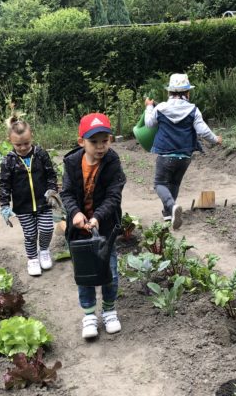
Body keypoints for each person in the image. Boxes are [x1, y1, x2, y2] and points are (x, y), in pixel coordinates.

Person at [60, 112, 126, 339]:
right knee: (85, 273)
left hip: (104, 228)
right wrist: (76, 213)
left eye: (104, 141)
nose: (100, 147)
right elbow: (66, 193)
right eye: (94, 142)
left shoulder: (112, 162)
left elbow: (113, 196)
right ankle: (89, 315)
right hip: (78, 230)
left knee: (111, 272)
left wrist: (97, 217)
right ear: (82, 142)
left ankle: (109, 310)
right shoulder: (71, 163)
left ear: (110, 140)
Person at [144, 73, 222, 230]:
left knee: (160, 184)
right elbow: (203, 131)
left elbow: (149, 124)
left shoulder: (160, 108)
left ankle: (171, 206)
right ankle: (168, 213)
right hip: (185, 156)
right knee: (174, 183)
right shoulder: (193, 110)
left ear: (169, 92)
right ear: (187, 93)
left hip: (166, 155)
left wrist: (149, 106)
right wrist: (216, 139)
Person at [0, 113, 59, 276]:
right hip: (23, 206)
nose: (23, 147)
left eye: (26, 143)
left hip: (44, 202)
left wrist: (52, 190)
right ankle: (32, 258)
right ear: (10, 141)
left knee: (47, 229)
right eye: (18, 145)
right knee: (30, 234)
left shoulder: (41, 154)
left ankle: (44, 251)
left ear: (31, 137)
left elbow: (51, 174)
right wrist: (4, 205)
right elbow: (4, 184)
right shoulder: (8, 161)